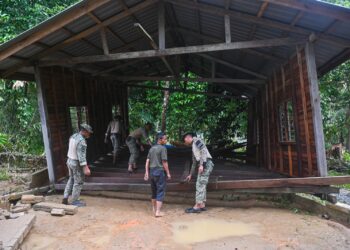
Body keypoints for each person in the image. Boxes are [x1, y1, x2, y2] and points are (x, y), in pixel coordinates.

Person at [62, 124, 93, 207]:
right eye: (89, 133)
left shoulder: (73, 136)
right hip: (76, 163)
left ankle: (65, 197)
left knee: (71, 179)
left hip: (69, 160)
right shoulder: (82, 141)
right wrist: (86, 168)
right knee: (78, 182)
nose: (89, 134)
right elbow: (81, 156)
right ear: (85, 131)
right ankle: (75, 201)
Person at [183, 132, 214, 213]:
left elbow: (203, 150)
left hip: (206, 164)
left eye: (185, 140)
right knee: (202, 184)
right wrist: (190, 174)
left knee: (200, 184)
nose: (185, 142)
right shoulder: (193, 146)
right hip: (204, 164)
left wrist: (201, 165)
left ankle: (197, 206)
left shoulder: (196, 140)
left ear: (188, 138)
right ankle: (202, 205)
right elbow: (194, 163)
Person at [144, 132, 171, 217]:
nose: (166, 140)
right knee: (160, 191)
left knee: (154, 191)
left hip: (152, 171)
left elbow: (147, 161)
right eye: (165, 139)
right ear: (160, 139)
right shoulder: (162, 148)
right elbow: (164, 162)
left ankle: (153, 208)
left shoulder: (152, 148)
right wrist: (168, 173)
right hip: (159, 172)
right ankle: (158, 212)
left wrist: (146, 172)